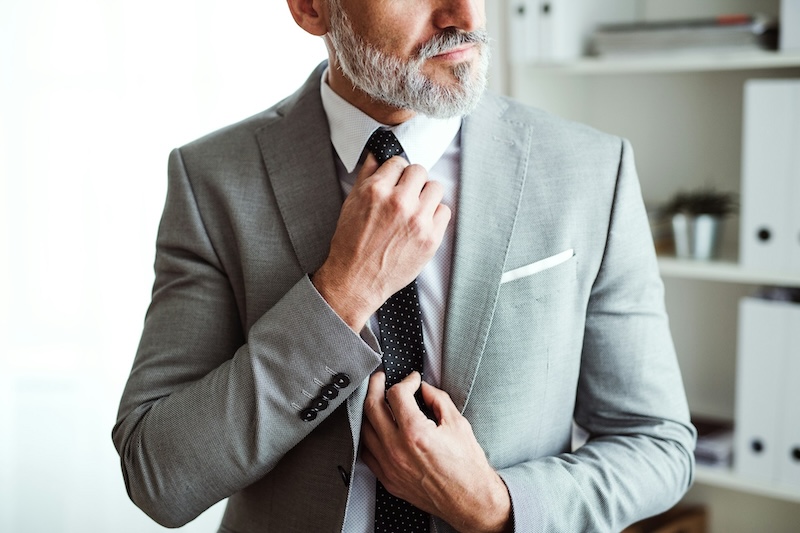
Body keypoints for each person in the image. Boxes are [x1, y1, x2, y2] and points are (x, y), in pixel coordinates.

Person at [112, 0, 696, 531]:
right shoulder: (211, 179)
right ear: (313, 9)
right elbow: (158, 475)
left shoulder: (593, 170)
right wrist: (342, 292)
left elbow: (658, 444)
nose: (464, 15)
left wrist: (494, 505)